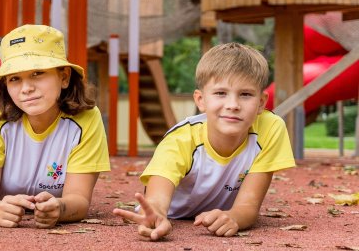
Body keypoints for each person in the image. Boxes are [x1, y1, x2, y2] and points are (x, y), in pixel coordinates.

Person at [113, 43, 295, 240]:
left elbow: (248, 207)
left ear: (261, 102)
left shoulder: (271, 128)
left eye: (245, 94)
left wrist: (234, 217)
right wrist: (156, 215)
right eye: (220, 93)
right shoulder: (180, 139)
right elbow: (156, 198)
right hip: (174, 214)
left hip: (222, 212)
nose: (233, 105)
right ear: (200, 100)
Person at [0, 25, 109, 228]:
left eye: (37, 73)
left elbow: (79, 199)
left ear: (64, 77)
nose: (27, 88)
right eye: (15, 78)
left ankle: (2, 77)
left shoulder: (86, 119)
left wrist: (60, 209)